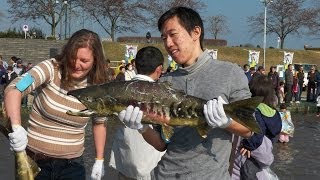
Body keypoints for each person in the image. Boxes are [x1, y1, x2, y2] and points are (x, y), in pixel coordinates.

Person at [118, 7, 253, 179]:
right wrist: (142, 128)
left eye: (173, 34)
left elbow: (250, 130)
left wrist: (227, 123)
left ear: (195, 32)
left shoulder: (230, 73)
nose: (168, 43)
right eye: (164, 38)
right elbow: (161, 144)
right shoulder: (166, 82)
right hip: (164, 174)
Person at [4, 29, 109, 180]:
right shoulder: (51, 68)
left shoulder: (98, 86)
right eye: (72, 57)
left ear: (95, 61)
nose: (76, 64)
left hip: (73, 167)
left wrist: (99, 160)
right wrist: (16, 126)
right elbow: (15, 89)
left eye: (84, 61)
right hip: (35, 163)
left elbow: (99, 124)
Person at [109, 46, 165, 179]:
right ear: (159, 69)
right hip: (151, 163)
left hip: (124, 160)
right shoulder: (162, 95)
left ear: (134, 66)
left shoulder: (120, 90)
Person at [231, 75, 282, 180]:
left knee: (248, 171)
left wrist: (249, 145)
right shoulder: (272, 110)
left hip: (252, 149)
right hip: (270, 137)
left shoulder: (255, 111)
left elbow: (259, 130)